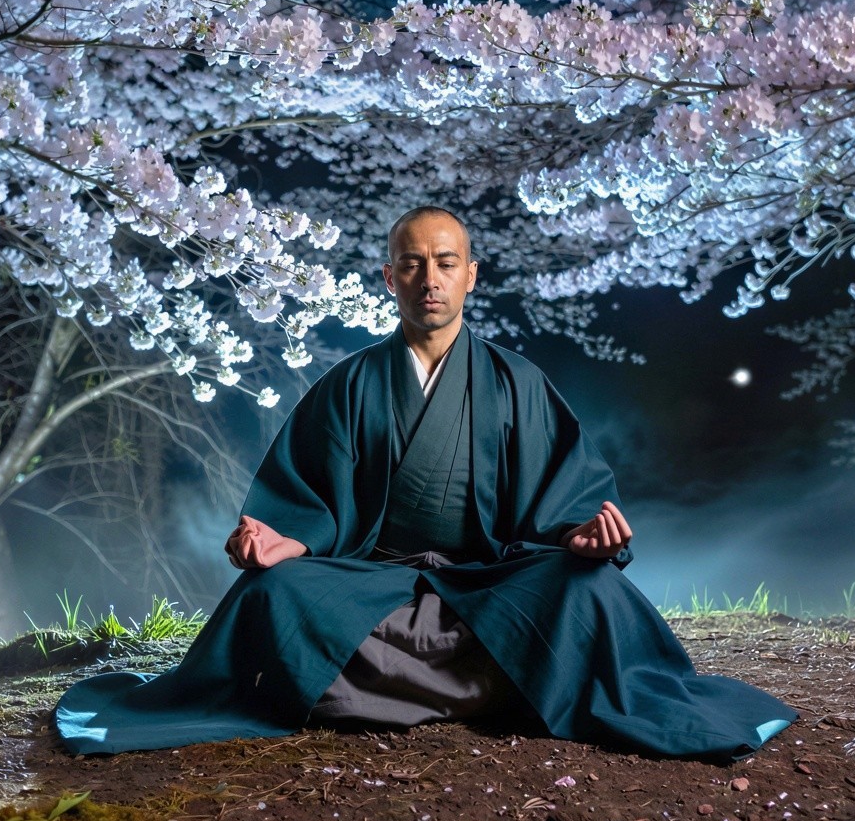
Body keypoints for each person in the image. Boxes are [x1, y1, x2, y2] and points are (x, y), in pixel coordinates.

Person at [54, 206, 796, 759]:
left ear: (472, 275)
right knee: (272, 597)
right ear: (389, 277)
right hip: (372, 581)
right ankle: (505, 688)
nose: (430, 278)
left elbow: (563, 503)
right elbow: (306, 501)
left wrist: (579, 536)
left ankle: (369, 694)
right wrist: (286, 542)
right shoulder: (348, 386)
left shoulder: (516, 383)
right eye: (412, 263)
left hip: (491, 582)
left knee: (588, 592)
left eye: (446, 262)